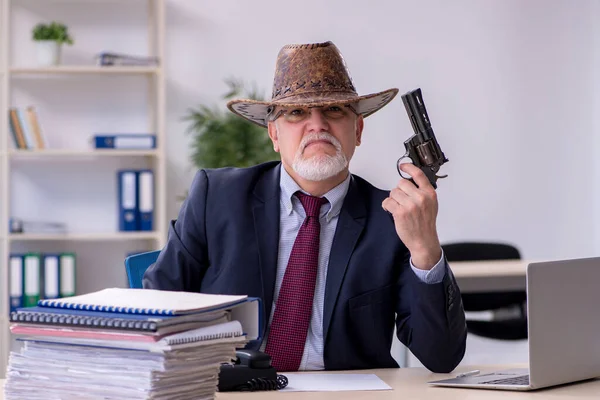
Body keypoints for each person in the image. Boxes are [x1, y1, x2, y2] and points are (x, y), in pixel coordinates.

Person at [143, 41, 467, 373]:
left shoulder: (392, 219)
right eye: (297, 112)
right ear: (274, 134)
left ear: (357, 130)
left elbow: (441, 357)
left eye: (334, 110)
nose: (317, 125)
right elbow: (158, 307)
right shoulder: (217, 197)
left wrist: (425, 247)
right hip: (237, 391)